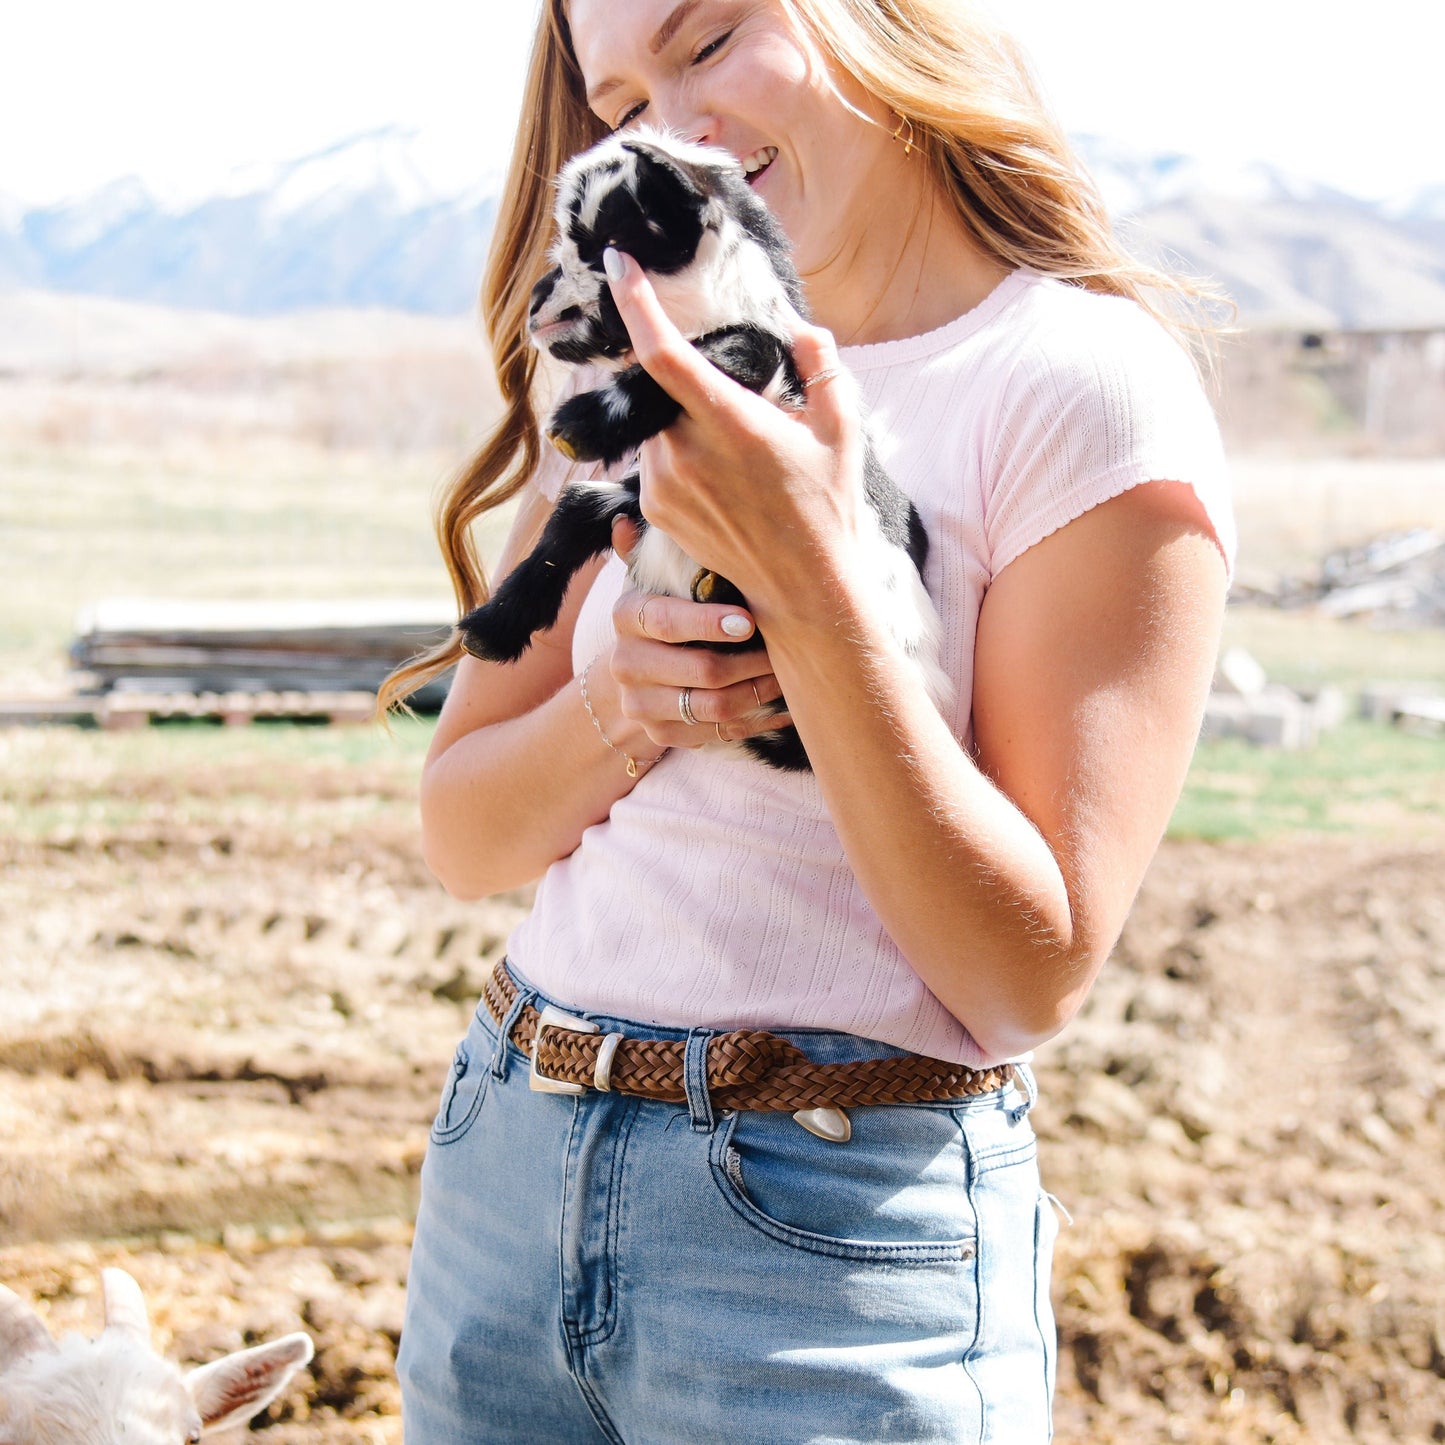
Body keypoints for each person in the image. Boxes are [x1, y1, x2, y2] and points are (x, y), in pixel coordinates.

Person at [385, 0, 1234, 1439]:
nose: (672, 126)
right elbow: (464, 834)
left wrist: (815, 592)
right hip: (505, 1163)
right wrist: (629, 706)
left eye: (708, 41)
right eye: (622, 96)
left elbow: (1018, 977)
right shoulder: (633, 375)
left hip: (830, 1236)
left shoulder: (1076, 387)